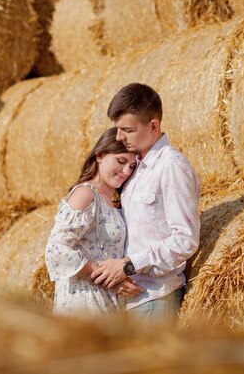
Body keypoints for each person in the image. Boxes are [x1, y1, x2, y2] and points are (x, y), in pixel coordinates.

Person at [90, 83, 201, 321]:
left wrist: (128, 266)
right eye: (117, 129)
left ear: (153, 126)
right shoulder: (135, 168)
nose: (119, 137)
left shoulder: (171, 167)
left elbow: (185, 240)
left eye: (127, 130)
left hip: (156, 298)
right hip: (130, 298)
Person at [45, 127, 143, 316]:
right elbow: (56, 250)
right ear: (99, 155)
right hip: (84, 300)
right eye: (121, 161)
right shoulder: (86, 194)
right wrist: (108, 279)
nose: (126, 171)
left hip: (106, 300)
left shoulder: (112, 200)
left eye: (132, 166)